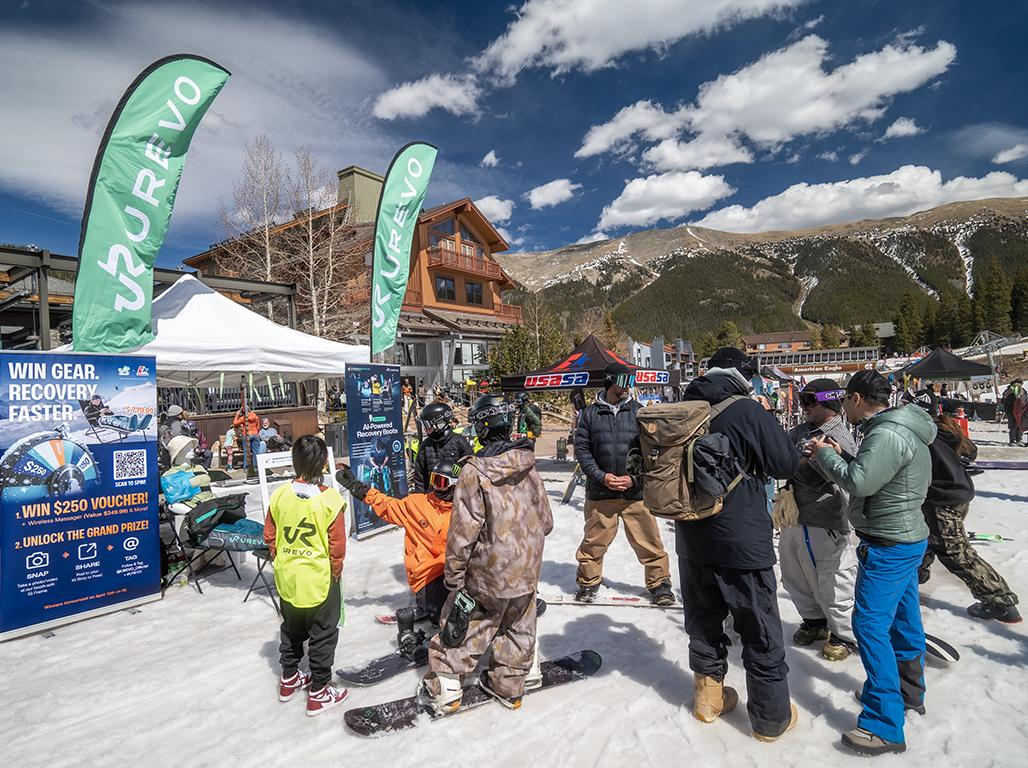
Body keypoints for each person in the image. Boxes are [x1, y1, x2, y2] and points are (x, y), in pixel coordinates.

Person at [677, 347, 800, 741]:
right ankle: (770, 718)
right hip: (742, 540)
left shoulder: (681, 407)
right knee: (758, 624)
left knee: (704, 618)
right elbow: (785, 463)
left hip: (692, 537)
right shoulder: (747, 410)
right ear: (744, 374)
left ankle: (708, 700)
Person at [811, 369, 936, 757]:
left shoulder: (885, 433)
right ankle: (908, 691)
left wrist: (825, 454)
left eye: (846, 399)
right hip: (903, 537)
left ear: (857, 399)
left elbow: (860, 482)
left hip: (889, 543)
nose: (843, 407)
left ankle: (884, 723)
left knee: (869, 626)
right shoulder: (900, 428)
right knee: (903, 618)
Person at [417, 394, 553, 713]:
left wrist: (453, 576)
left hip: (489, 569)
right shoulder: (528, 464)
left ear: (481, 426)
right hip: (527, 567)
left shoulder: (474, 471)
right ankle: (509, 683)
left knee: (468, 621)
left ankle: (446, 685)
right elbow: (546, 521)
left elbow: (463, 531)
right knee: (518, 623)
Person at [910, 394, 1021, 623]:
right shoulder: (944, 427)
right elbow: (971, 451)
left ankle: (1000, 601)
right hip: (956, 494)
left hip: (942, 499)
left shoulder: (921, 433)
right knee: (926, 537)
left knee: (954, 552)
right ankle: (915, 576)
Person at [573, 362, 673, 606]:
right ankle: (588, 582)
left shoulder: (640, 413)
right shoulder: (588, 415)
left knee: (649, 541)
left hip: (635, 493)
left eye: (629, 384)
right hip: (600, 492)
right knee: (594, 542)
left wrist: (634, 478)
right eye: (622, 383)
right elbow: (583, 451)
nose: (626, 389)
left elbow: (651, 452)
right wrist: (601, 476)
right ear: (610, 383)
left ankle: (660, 584)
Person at [262, 436, 348, 717]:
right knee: (323, 634)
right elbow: (337, 544)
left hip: (287, 577)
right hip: (319, 578)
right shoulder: (330, 499)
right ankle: (320, 691)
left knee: (291, 627)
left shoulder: (279, 495)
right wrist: (336, 570)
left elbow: (270, 535)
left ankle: (289, 678)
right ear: (323, 463)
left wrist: (280, 557)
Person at [780, 379, 859, 661]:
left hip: (826, 516)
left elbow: (822, 474)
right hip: (795, 515)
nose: (804, 408)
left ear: (829, 401)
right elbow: (781, 455)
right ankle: (814, 620)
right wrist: (794, 461)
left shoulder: (839, 433)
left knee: (833, 578)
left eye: (810, 401)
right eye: (802, 400)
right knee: (794, 574)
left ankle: (844, 633)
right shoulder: (802, 430)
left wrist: (796, 463)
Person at [337, 459, 457, 627]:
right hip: (428, 577)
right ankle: (428, 610)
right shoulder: (417, 504)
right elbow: (387, 506)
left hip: (453, 574)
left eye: (442, 482)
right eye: (434, 480)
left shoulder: (463, 511)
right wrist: (358, 488)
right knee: (447, 617)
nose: (437, 487)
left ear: (455, 485)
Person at [412, 402, 473, 493]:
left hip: (457, 496)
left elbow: (471, 472)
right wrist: (420, 498)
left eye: (427, 425)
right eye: (423, 425)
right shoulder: (426, 445)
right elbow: (420, 476)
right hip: (434, 498)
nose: (425, 429)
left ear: (439, 424)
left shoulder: (459, 442)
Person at [1000, 379, 1025, 446]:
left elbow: (1025, 398)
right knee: (1013, 425)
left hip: (1019, 411)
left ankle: (1018, 439)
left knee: (1019, 425)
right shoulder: (1009, 391)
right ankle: (1012, 441)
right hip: (1011, 410)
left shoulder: (1022, 390)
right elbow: (1003, 401)